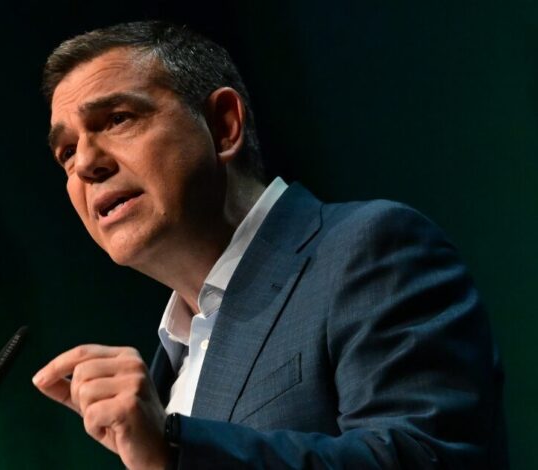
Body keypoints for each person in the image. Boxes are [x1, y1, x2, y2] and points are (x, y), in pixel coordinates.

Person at [31, 21, 507, 469]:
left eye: (117, 119)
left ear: (223, 125)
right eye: (66, 152)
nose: (85, 163)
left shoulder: (371, 248)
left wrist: (176, 451)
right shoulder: (168, 368)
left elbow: (422, 456)